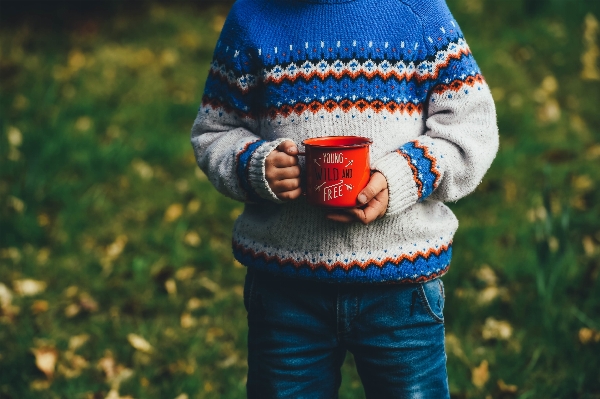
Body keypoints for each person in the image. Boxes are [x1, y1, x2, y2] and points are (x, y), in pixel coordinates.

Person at [191, 0, 498, 397]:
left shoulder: (420, 12)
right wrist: (255, 166)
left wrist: (405, 175)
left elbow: (471, 126)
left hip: (401, 286)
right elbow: (215, 130)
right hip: (285, 290)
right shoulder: (252, 17)